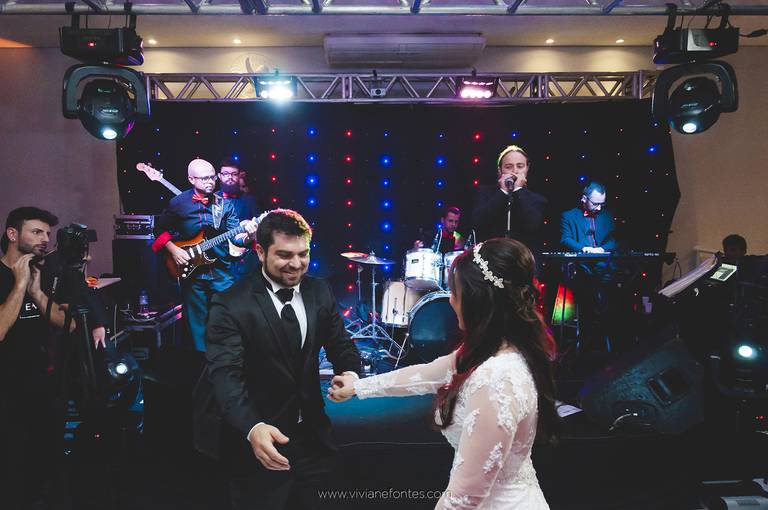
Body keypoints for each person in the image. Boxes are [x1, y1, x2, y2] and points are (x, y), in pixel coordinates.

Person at [329, 238, 558, 509]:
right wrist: (358, 387)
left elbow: (463, 499)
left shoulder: (497, 378)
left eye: (455, 292)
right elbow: (427, 373)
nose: (450, 300)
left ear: (477, 302)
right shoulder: (492, 349)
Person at [204, 209, 361, 510]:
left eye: (303, 254)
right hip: (256, 444)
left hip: (313, 438)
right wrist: (253, 427)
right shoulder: (230, 304)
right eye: (285, 255)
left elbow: (342, 345)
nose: (297, 264)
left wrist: (351, 372)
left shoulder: (319, 290)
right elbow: (225, 378)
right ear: (260, 252)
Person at [0, 207, 73, 510]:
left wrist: (37, 293)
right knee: (12, 465)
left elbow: (68, 324)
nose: (45, 239)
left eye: (47, 233)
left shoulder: (41, 274)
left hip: (41, 383)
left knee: (43, 464)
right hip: (7, 389)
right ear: (12, 234)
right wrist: (19, 284)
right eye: (36, 232)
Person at [153, 158, 257, 352]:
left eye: (212, 177)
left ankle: (229, 357)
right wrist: (174, 250)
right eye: (204, 178)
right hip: (192, 273)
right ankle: (203, 362)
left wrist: (249, 236)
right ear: (191, 179)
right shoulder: (178, 203)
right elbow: (159, 230)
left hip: (221, 270)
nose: (210, 182)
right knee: (197, 325)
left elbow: (235, 238)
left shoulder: (224, 205)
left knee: (230, 316)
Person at [472, 145, 547, 253]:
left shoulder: (537, 199)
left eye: (520, 166)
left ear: (527, 168)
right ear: (500, 171)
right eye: (508, 167)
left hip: (522, 258)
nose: (515, 171)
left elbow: (532, 225)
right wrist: (503, 192)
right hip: (491, 256)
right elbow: (478, 223)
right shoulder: (484, 193)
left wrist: (518, 190)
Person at [219, 158, 261, 280]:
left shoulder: (250, 200)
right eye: (226, 174)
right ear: (219, 176)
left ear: (239, 176)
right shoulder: (213, 199)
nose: (230, 177)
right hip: (217, 259)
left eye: (234, 174)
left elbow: (260, 229)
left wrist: (251, 233)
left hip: (243, 260)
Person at [560, 181, 617, 255]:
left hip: (603, 258)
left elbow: (613, 240)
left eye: (602, 204)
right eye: (595, 204)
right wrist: (583, 248)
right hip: (580, 259)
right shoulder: (568, 216)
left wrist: (602, 249)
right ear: (584, 199)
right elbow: (566, 239)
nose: (599, 208)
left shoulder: (607, 215)